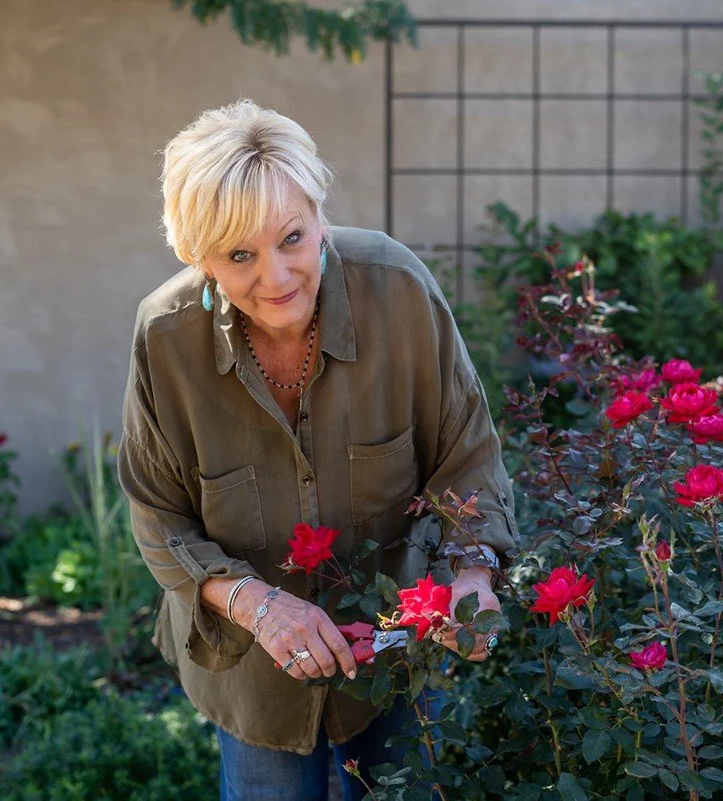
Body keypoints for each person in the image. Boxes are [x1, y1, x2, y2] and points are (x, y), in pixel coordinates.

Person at [116, 99, 517, 801]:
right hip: (254, 676)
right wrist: (258, 605)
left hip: (397, 656)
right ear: (199, 256)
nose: (276, 278)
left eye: (292, 237)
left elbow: (467, 454)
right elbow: (160, 521)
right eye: (240, 255)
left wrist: (472, 574)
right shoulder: (165, 339)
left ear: (318, 214)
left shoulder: (397, 290)